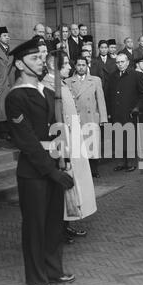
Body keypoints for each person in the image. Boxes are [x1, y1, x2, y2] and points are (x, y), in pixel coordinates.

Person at [5, 39, 76, 285]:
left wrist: (64, 161)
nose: (40, 63)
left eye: (40, 58)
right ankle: (36, 280)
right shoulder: (15, 97)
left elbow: (57, 132)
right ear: (20, 64)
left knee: (54, 223)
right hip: (34, 171)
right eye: (35, 59)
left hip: (54, 164)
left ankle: (53, 269)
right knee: (35, 226)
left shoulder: (47, 92)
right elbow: (28, 142)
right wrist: (53, 171)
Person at [42, 51, 97, 243]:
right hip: (63, 141)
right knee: (63, 183)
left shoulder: (62, 84)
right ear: (52, 66)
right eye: (65, 64)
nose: (69, 67)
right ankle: (58, 228)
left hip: (74, 138)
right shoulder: (48, 86)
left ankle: (66, 225)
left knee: (73, 184)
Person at [65, 56, 108, 178]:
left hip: (91, 117)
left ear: (87, 66)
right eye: (79, 65)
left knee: (92, 144)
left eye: (83, 65)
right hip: (77, 118)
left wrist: (103, 118)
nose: (81, 67)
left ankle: (94, 170)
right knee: (79, 145)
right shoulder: (68, 81)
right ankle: (82, 171)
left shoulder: (95, 80)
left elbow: (101, 100)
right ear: (75, 66)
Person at [107, 53, 143, 172]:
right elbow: (109, 95)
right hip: (116, 111)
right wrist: (110, 111)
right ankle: (121, 162)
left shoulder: (136, 75)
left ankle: (130, 162)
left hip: (130, 112)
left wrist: (137, 108)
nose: (120, 64)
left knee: (129, 137)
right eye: (118, 62)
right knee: (118, 136)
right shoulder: (112, 76)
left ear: (128, 62)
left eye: (122, 62)